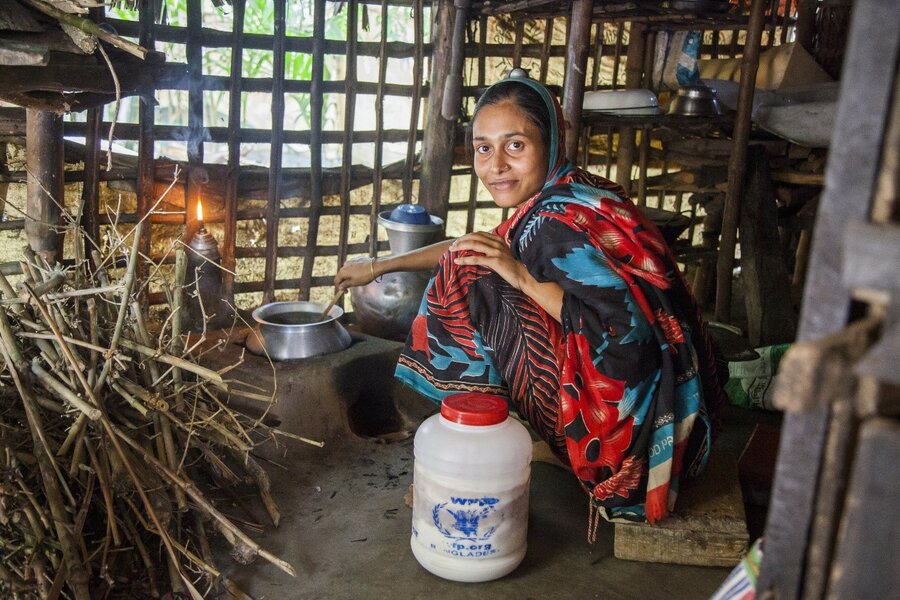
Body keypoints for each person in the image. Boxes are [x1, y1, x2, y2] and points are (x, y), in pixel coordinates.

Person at [335, 74, 725, 529]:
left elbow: (623, 335)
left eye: (515, 146)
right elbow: (478, 243)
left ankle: (472, 466)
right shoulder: (575, 193)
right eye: (483, 148)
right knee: (476, 263)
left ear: (551, 141)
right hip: (681, 428)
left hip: (628, 458)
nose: (496, 165)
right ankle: (504, 440)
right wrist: (381, 266)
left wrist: (519, 277)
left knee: (464, 280)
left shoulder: (554, 224)